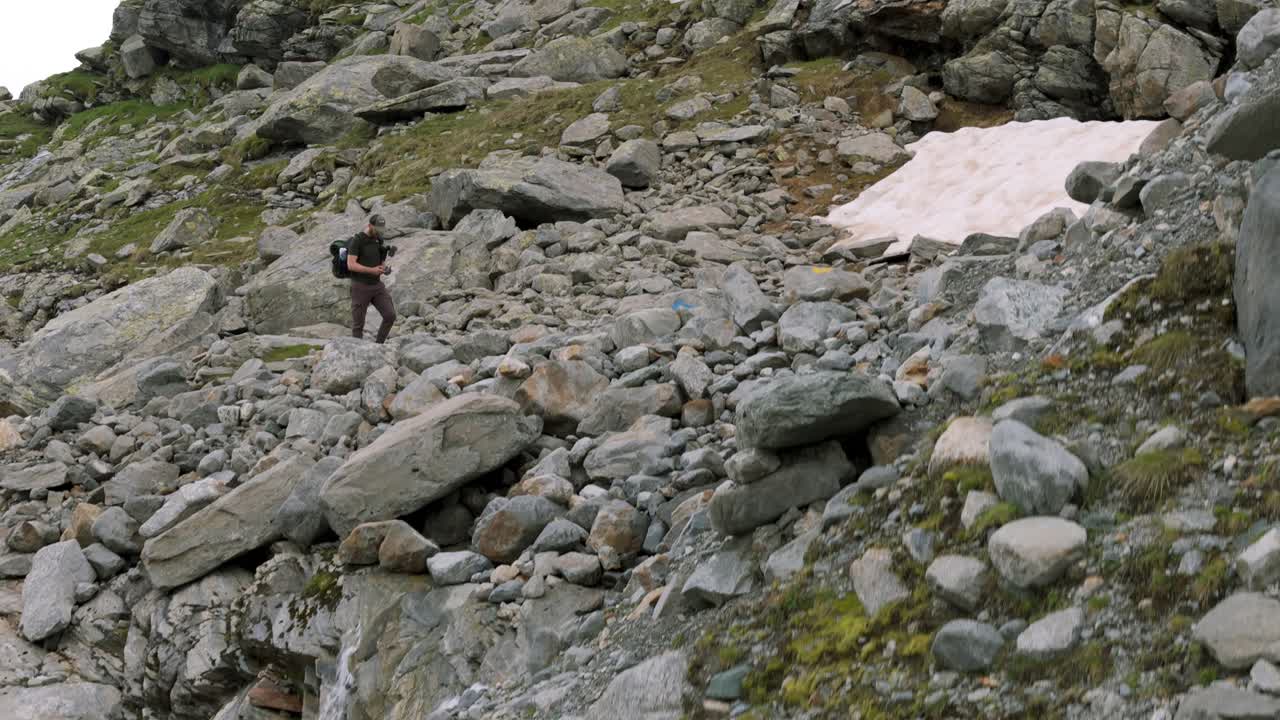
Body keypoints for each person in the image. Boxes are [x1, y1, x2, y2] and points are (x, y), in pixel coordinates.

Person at [346, 214, 396, 344]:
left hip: (377, 286)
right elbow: (351, 264)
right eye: (377, 229)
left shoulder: (378, 239)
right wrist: (372, 270)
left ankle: (378, 346)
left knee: (390, 316)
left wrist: (385, 269)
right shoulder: (357, 240)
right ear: (369, 226)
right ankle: (356, 354)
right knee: (358, 326)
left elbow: (381, 260)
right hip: (360, 287)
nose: (379, 233)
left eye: (381, 230)